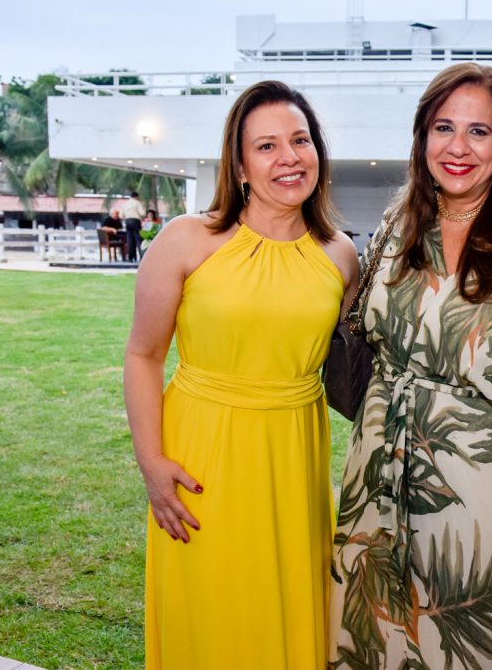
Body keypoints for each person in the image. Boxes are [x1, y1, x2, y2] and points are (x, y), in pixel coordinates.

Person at [328, 63, 492, 669]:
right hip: (376, 470)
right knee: (372, 637)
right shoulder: (396, 226)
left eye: (478, 132)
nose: (458, 148)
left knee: (462, 642)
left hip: (480, 494)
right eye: (443, 128)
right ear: (421, 138)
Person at [124, 80, 359, 669]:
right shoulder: (187, 240)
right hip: (202, 459)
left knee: (282, 610)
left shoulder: (340, 255)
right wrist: (151, 463)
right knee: (209, 614)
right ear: (240, 164)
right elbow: (143, 355)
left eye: (300, 141)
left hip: (292, 462)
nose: (289, 158)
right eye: (267, 146)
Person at [121, 190, 147, 262]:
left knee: (129, 239)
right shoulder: (138, 203)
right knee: (138, 239)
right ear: (137, 196)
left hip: (127, 220)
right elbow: (142, 213)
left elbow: (121, 215)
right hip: (135, 220)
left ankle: (131, 257)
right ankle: (141, 256)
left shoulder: (125, 204)